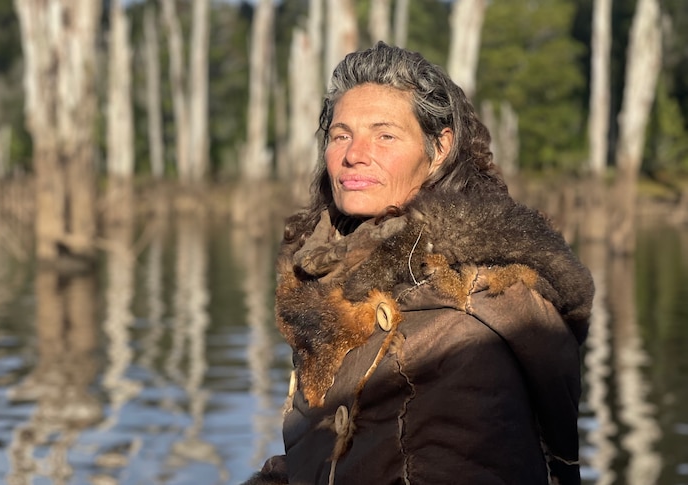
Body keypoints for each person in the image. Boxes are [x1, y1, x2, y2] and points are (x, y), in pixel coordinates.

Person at [244, 42, 594, 485]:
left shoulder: (464, 322)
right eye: (340, 134)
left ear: (440, 148)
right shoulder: (336, 280)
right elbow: (320, 461)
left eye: (385, 135)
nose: (354, 154)